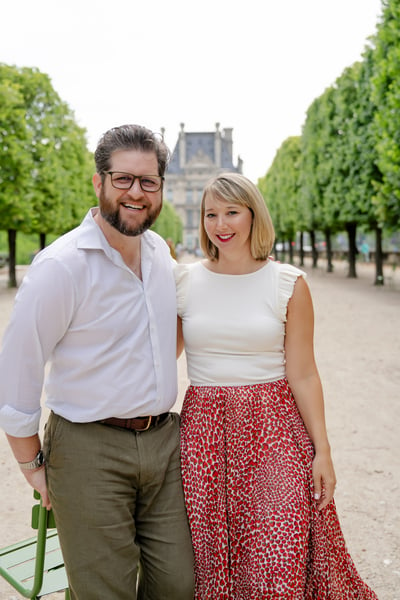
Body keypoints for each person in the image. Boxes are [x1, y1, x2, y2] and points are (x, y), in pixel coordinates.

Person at [0, 124, 194, 600]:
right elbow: (17, 371)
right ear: (99, 182)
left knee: (179, 584)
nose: (136, 192)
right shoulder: (61, 266)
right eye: (122, 179)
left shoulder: (161, 256)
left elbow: (166, 342)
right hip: (88, 448)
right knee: (104, 592)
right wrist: (32, 465)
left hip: (164, 442)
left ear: (161, 189)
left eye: (148, 182)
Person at [175, 172, 378, 599]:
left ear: (254, 215)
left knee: (278, 550)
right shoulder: (184, 283)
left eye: (232, 212)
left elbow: (303, 372)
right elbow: (159, 357)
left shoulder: (288, 282)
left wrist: (323, 451)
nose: (220, 224)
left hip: (274, 429)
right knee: (214, 556)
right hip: (205, 432)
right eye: (211, 214)